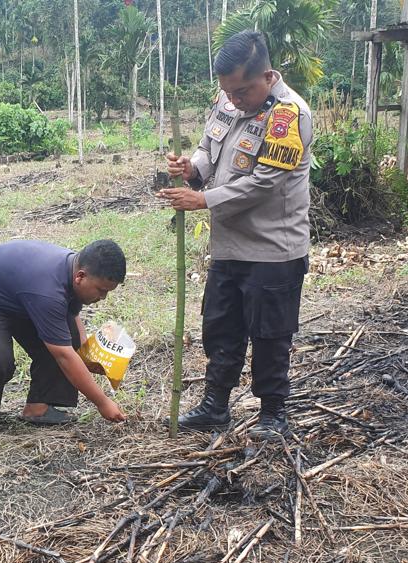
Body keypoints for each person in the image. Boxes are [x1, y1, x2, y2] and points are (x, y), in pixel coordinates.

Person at [159, 31, 311, 438]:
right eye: (228, 91)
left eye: (242, 90)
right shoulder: (227, 101)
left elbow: (265, 184)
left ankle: (273, 413)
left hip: (273, 250)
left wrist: (202, 200)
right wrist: (192, 169)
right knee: (221, 326)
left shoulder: (288, 114)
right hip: (229, 246)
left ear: (267, 75)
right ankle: (215, 406)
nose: (235, 99)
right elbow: (210, 149)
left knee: (270, 335)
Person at [0, 239, 129, 431]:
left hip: (20, 295)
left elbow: (73, 314)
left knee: (69, 338)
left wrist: (85, 351)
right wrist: (101, 402)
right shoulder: (48, 291)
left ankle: (38, 406)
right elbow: (64, 356)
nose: (103, 298)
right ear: (80, 276)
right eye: (101, 290)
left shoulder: (73, 270)